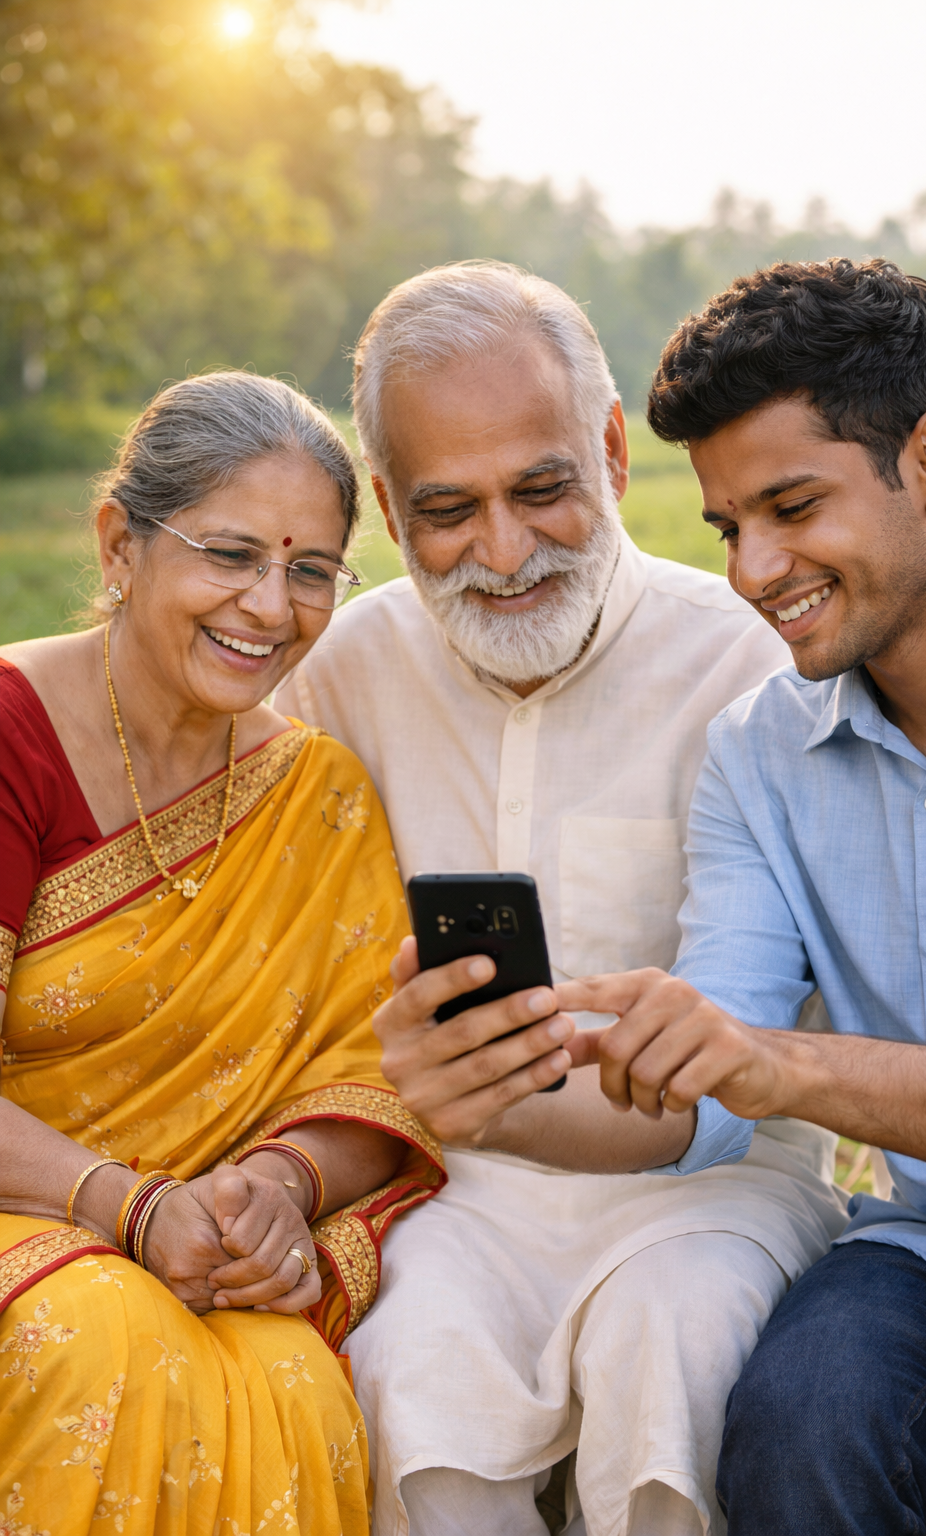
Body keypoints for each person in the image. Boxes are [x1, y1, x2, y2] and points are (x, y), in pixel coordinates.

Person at [275, 260, 847, 1536]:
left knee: (672, 1337)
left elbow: (753, 1054)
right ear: (385, 504)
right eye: (447, 509)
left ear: (609, 451)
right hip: (451, 1189)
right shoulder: (344, 672)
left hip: (714, 1185)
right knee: (409, 1358)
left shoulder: (750, 660)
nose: (503, 550)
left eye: (542, 489)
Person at [546, 257, 926, 1534]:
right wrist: (523, 1087)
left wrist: (771, 1062)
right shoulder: (757, 750)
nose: (753, 568)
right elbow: (714, 1080)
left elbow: (760, 1060)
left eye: (791, 506)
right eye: (725, 527)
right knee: (801, 1423)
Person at [0, 372, 443, 1534]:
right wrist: (124, 1205)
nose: (268, 605)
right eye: (230, 554)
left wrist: (277, 1192)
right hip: (34, 1214)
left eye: (310, 571)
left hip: (203, 1244)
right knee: (95, 1338)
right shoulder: (11, 734)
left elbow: (368, 1070)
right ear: (119, 544)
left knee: (292, 1379)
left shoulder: (320, 795)